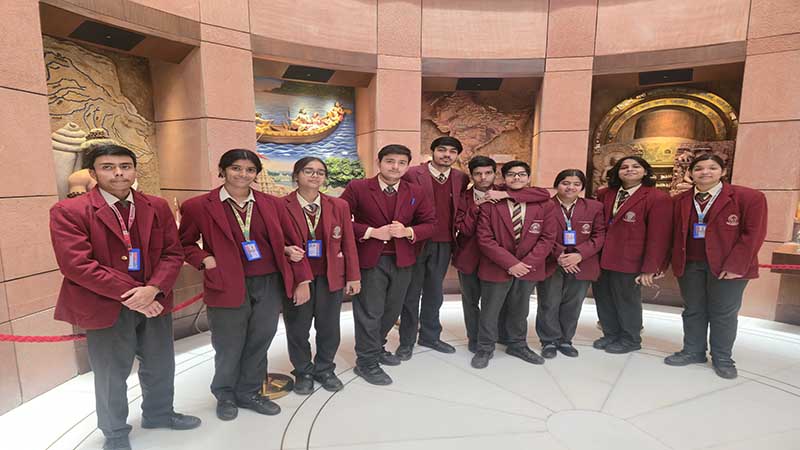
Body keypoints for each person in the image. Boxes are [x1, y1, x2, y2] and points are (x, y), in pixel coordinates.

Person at [49, 144, 200, 450]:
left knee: (160, 363)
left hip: (155, 301)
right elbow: (77, 265)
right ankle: (115, 432)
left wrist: (153, 289)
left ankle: (159, 413)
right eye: (108, 167)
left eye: (125, 166)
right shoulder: (69, 211)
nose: (118, 173)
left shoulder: (156, 206)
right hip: (104, 305)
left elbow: (172, 253)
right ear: (93, 173)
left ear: (134, 170)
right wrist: (137, 295)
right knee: (110, 374)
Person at [178, 149, 312, 421]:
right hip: (226, 282)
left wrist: (297, 269)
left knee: (260, 339)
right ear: (223, 170)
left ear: (256, 174)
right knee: (228, 344)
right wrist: (205, 260)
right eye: (236, 168)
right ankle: (225, 394)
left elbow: (291, 241)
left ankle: (250, 392)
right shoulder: (198, 206)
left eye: (250, 170)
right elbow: (184, 243)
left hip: (268, 282)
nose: (243, 174)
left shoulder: (272, 204)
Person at [664, 154, 767, 379]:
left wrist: (736, 265)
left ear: (723, 171)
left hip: (727, 266)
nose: (705, 172)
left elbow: (753, 235)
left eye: (712, 168)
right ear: (690, 173)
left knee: (723, 313)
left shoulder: (748, 197)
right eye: (699, 168)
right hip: (690, 264)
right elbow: (670, 235)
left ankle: (722, 358)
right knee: (693, 310)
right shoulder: (679, 200)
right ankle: (693, 351)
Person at [340, 144, 436, 385]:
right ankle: (366, 362)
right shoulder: (358, 187)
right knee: (370, 312)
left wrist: (408, 231)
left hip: (403, 260)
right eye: (390, 161)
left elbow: (430, 224)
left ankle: (377, 347)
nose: (395, 167)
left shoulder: (416, 191)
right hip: (371, 261)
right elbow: (338, 219)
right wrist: (371, 232)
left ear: (407, 166)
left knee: (391, 311)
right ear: (379, 162)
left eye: (402, 163)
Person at [453, 156, 550, 353]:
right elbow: (464, 228)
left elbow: (543, 193)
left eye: (488, 173)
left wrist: (506, 195)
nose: (483, 177)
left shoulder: (504, 190)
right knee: (471, 301)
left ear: (495, 174)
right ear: (471, 175)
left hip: (499, 259)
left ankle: (503, 335)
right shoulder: (463, 197)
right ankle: (475, 338)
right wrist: (478, 205)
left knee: (500, 301)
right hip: (471, 256)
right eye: (478, 174)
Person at [281, 157, 361, 394]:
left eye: (320, 172)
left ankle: (325, 368)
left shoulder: (339, 205)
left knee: (329, 327)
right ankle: (303, 371)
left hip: (330, 277)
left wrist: (353, 276)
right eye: (308, 171)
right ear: (296, 175)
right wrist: (287, 252)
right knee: (298, 328)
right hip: (298, 279)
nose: (315, 176)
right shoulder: (280, 205)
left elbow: (348, 242)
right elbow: (276, 243)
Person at [472, 161, 556, 369]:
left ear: (529, 177)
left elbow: (547, 238)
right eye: (511, 174)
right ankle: (485, 347)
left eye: (521, 174)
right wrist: (511, 263)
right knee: (490, 310)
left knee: (520, 309)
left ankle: (517, 344)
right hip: (496, 265)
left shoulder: (544, 204)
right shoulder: (491, 203)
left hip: (528, 267)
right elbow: (485, 239)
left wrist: (526, 263)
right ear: (504, 178)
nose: (516, 178)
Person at [396, 137, 469, 359]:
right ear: (433, 151)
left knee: (435, 293)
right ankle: (407, 341)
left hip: (443, 243)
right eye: (442, 150)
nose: (446, 155)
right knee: (411, 294)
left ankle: (430, 336)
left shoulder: (460, 178)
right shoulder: (412, 174)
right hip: (415, 241)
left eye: (452, 151)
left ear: (457, 156)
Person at [593, 156, 672, 354]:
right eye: (624, 167)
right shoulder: (605, 194)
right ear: (617, 172)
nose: (629, 169)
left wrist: (650, 268)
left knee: (627, 300)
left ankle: (630, 339)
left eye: (636, 166)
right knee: (603, 298)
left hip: (631, 259)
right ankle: (610, 334)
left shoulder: (657, 198)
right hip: (602, 257)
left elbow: (658, 236)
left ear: (645, 171)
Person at [536, 169, 606, 358]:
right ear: (557, 184)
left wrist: (579, 254)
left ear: (582, 187)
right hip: (551, 261)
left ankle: (565, 340)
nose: (570, 187)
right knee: (549, 302)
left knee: (573, 304)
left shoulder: (594, 207)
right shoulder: (544, 206)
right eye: (565, 183)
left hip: (582, 263)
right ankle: (548, 341)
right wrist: (559, 254)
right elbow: (539, 234)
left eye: (576, 184)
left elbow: (599, 235)